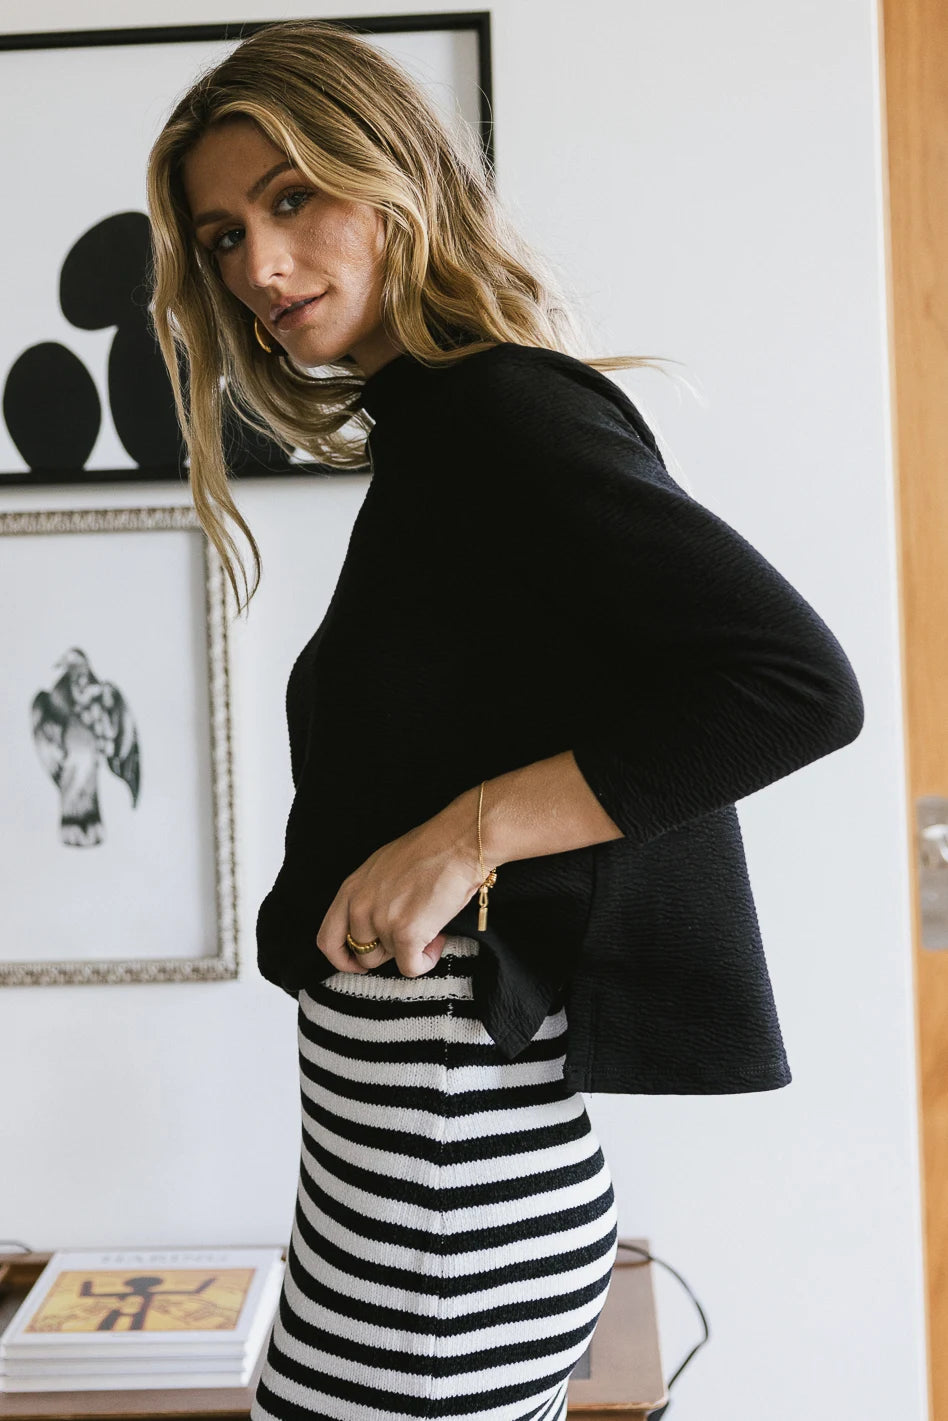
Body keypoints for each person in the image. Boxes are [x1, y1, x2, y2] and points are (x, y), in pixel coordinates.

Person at [145, 18, 864, 1421]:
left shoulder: (498, 416)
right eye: (225, 237)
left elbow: (794, 682)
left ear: (395, 175)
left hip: (445, 1207)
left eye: (292, 199)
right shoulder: (441, 433)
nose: (260, 267)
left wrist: (466, 834)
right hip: (415, 1196)